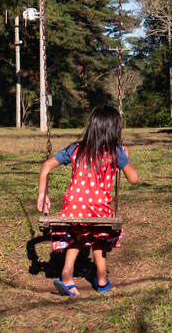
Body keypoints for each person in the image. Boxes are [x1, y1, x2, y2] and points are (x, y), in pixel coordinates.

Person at [37, 106, 140, 296]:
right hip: (99, 210)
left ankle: (67, 272)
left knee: (77, 234)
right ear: (115, 129)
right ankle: (101, 276)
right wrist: (126, 158)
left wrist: (42, 194)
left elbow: (46, 166)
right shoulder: (116, 151)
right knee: (99, 236)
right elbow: (134, 179)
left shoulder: (75, 149)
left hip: (73, 209)